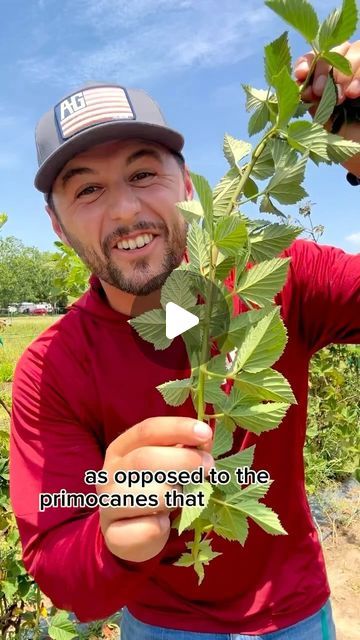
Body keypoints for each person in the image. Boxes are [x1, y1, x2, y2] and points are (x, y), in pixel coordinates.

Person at [9, 41, 360, 640]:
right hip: (161, 625)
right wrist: (110, 535)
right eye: (86, 189)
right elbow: (56, 553)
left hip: (294, 609)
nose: (124, 210)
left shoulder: (276, 276)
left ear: (190, 186)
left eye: (144, 173)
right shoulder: (51, 368)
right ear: (56, 223)